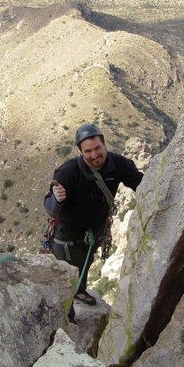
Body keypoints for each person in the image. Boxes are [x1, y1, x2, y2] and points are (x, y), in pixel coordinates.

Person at [44, 123, 143, 322]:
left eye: (97, 148)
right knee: (67, 276)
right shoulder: (68, 172)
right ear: (81, 153)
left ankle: (80, 291)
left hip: (94, 231)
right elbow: (50, 206)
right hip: (68, 235)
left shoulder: (117, 164)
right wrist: (57, 199)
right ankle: (68, 319)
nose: (94, 155)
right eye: (88, 151)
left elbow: (139, 182)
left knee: (85, 263)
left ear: (104, 144)